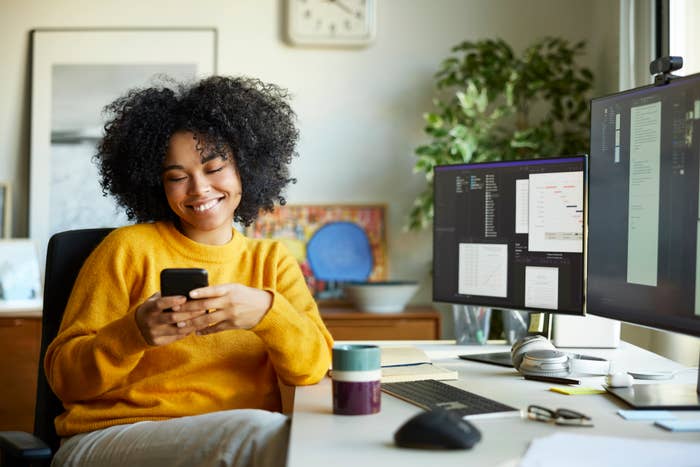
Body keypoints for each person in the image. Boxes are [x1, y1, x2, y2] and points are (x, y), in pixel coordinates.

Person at [44, 76, 334, 466]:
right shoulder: (127, 249)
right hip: (109, 438)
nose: (199, 189)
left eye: (214, 168)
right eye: (177, 177)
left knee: (298, 438)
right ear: (156, 185)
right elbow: (64, 379)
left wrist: (268, 313)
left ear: (246, 168)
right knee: (269, 435)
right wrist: (134, 333)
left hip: (233, 443)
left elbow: (317, 366)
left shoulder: (271, 261)